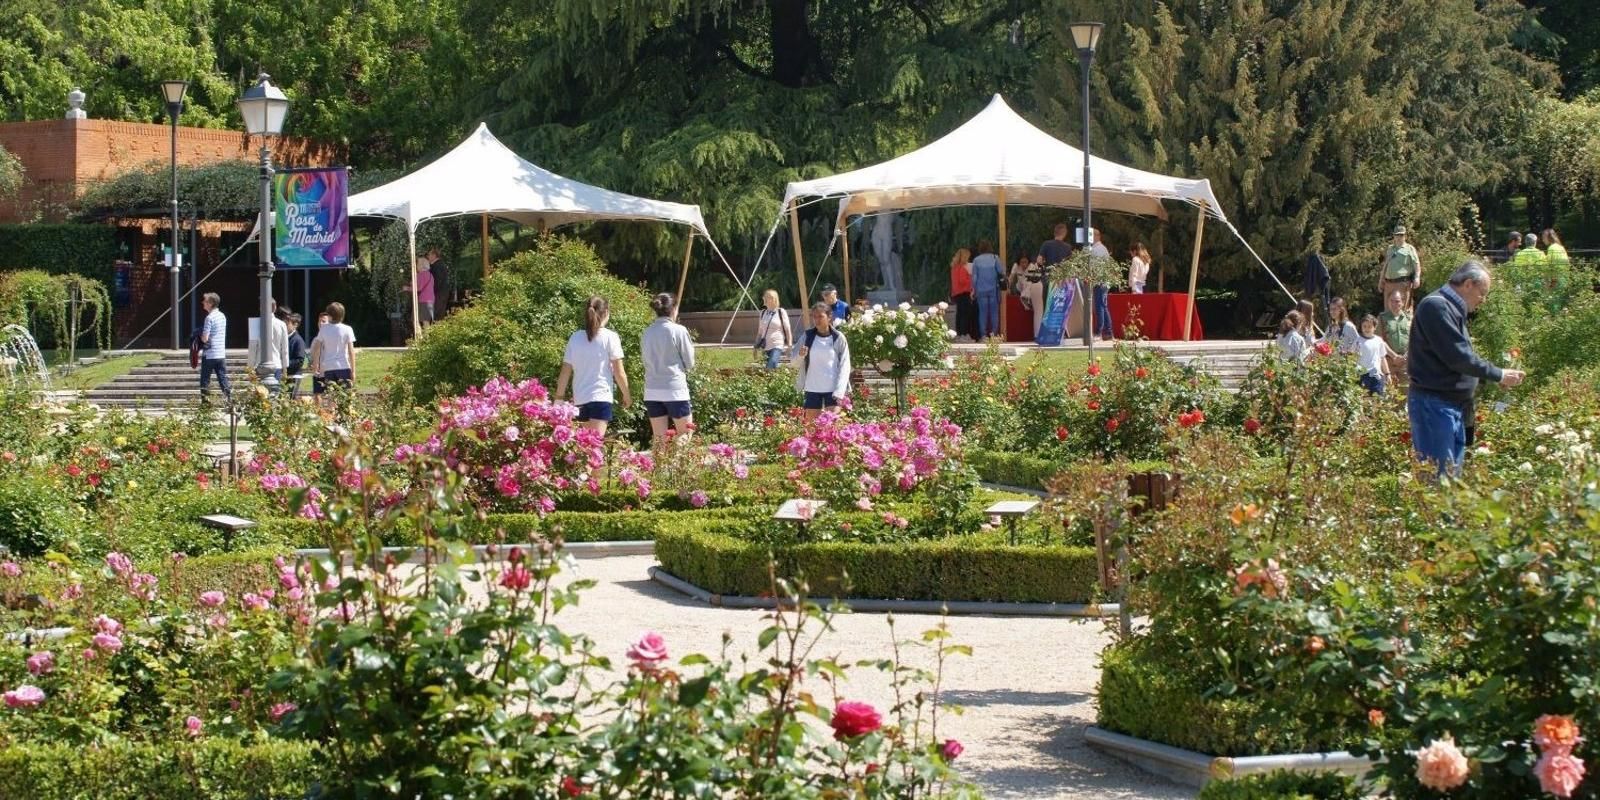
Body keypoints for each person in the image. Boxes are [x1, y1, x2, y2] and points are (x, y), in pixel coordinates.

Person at [1407, 261, 1525, 475]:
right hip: (1435, 406)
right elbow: (1459, 358)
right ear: (1468, 284)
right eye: (1483, 293)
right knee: (1438, 482)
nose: (1483, 300)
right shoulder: (1436, 306)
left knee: (1451, 481)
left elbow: (1455, 360)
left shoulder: (1451, 309)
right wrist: (1499, 375)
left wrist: (1492, 378)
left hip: (1451, 406)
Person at [556, 296, 630, 434]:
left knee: (583, 448)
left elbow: (565, 372)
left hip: (580, 399)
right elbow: (619, 373)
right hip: (601, 397)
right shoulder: (611, 337)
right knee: (594, 447)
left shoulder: (575, 337)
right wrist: (627, 395)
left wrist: (558, 399)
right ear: (606, 313)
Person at [641, 292, 695, 448]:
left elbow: (645, 359)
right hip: (674, 389)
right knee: (685, 432)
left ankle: (658, 471)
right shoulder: (678, 330)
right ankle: (677, 465)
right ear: (674, 309)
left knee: (659, 438)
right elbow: (690, 361)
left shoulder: (647, 332)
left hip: (652, 389)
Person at [794, 301, 851, 422]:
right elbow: (793, 363)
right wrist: (800, 356)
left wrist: (840, 391)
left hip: (833, 390)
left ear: (829, 317)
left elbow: (845, 365)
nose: (817, 320)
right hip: (812, 389)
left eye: (820, 316)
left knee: (833, 428)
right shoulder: (807, 336)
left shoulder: (838, 337)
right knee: (811, 428)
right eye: (814, 317)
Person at [310, 302, 358, 399]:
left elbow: (317, 348)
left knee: (332, 396)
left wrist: (316, 365)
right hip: (343, 366)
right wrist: (353, 371)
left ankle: (332, 413)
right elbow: (351, 352)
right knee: (346, 396)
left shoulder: (323, 329)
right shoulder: (347, 329)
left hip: (328, 367)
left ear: (330, 315)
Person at [197, 292, 230, 402]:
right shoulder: (222, 316)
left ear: (210, 303)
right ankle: (230, 400)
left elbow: (205, 338)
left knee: (205, 380)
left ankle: (205, 404)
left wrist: (198, 337)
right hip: (220, 353)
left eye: (205, 301)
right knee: (222, 378)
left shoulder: (209, 318)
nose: (203, 303)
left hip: (210, 354)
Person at [1380, 225, 1422, 309]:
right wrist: (1381, 280)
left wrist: (1417, 277)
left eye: (1401, 235)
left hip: (1402, 283)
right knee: (1388, 312)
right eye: (1397, 235)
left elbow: (1417, 265)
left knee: (1402, 311)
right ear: (1394, 236)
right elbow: (1386, 265)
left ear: (1405, 236)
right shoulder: (1390, 248)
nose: (1399, 237)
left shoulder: (1410, 249)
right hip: (1388, 284)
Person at [971, 239, 1004, 340]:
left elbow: (974, 277)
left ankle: (983, 335)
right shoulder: (995, 258)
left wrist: (974, 290)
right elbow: (1001, 272)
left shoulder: (976, 260)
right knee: (994, 312)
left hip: (981, 290)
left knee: (983, 313)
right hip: (994, 289)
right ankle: (994, 334)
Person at [1356, 314, 1395, 395]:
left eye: (1369, 326)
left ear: (1374, 327)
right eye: (1364, 326)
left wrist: (1387, 374)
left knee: (1378, 400)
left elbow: (1382, 358)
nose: (1367, 329)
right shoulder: (1357, 340)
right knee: (1363, 401)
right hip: (1362, 375)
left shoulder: (1378, 340)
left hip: (1377, 375)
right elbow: (1352, 357)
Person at [754, 289, 792, 369]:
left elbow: (788, 330)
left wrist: (789, 345)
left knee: (771, 364)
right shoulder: (763, 313)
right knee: (769, 368)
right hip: (765, 346)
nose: (763, 298)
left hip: (777, 344)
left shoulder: (781, 312)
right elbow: (760, 332)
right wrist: (755, 347)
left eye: (766, 297)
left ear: (772, 299)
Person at [257, 299, 290, 391]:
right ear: (275, 308)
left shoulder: (256, 323)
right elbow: (285, 348)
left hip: (260, 364)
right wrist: (285, 367)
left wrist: (251, 365)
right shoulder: (281, 324)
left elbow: (253, 346)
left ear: (261, 308)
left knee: (260, 396)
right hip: (277, 364)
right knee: (275, 394)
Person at [1379, 290, 1411, 385]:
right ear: (1388, 302)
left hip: (1406, 362)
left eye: (1397, 301)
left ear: (1403, 302)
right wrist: (1394, 356)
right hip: (1388, 362)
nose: (1394, 304)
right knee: (1389, 393)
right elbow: (1379, 341)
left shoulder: (1409, 318)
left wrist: (1404, 357)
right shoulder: (1382, 318)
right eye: (1391, 301)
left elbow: (1415, 340)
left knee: (1406, 393)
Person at [1090, 228, 1114, 339]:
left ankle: (1099, 331)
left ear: (1097, 236)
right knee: (1103, 306)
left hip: (1099, 282)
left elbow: (1094, 267)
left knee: (1100, 306)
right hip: (1103, 281)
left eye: (1091, 235)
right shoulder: (1102, 248)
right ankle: (1108, 331)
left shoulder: (1096, 250)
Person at [948, 248, 975, 343]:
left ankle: (959, 334)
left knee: (959, 314)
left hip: (956, 293)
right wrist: (971, 278)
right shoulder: (962, 268)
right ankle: (964, 334)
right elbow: (963, 281)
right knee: (965, 315)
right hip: (964, 293)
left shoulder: (954, 267)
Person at [1019, 255, 1047, 337]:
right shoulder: (1019, 269)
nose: (1023, 264)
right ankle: (1038, 334)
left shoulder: (1032, 268)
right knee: (1039, 312)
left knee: (1038, 312)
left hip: (1034, 289)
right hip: (1037, 288)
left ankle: (1037, 334)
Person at [407, 257, 436, 327]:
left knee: (419, 321)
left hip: (423, 301)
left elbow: (418, 288)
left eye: (417, 264)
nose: (416, 266)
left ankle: (422, 337)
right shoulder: (430, 275)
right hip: (430, 300)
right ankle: (426, 337)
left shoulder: (422, 274)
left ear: (421, 265)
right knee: (425, 321)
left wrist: (407, 288)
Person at [284, 312, 307, 398]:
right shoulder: (286, 338)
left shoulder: (297, 340)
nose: (285, 326)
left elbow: (300, 361)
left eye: (287, 324)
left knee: (290, 399)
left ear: (295, 325)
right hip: (287, 375)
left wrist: (285, 364)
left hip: (294, 375)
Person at [309, 312, 330, 397]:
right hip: (317, 373)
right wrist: (311, 363)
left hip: (329, 371)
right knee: (317, 395)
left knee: (331, 396)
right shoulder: (315, 340)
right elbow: (312, 356)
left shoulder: (331, 339)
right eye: (319, 321)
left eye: (324, 321)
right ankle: (318, 410)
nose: (321, 323)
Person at [426, 246, 451, 317]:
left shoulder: (437, 266)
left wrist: (431, 292)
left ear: (434, 255)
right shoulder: (440, 265)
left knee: (436, 316)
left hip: (438, 295)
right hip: (442, 294)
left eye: (429, 254)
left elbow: (437, 281)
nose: (427, 256)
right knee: (439, 316)